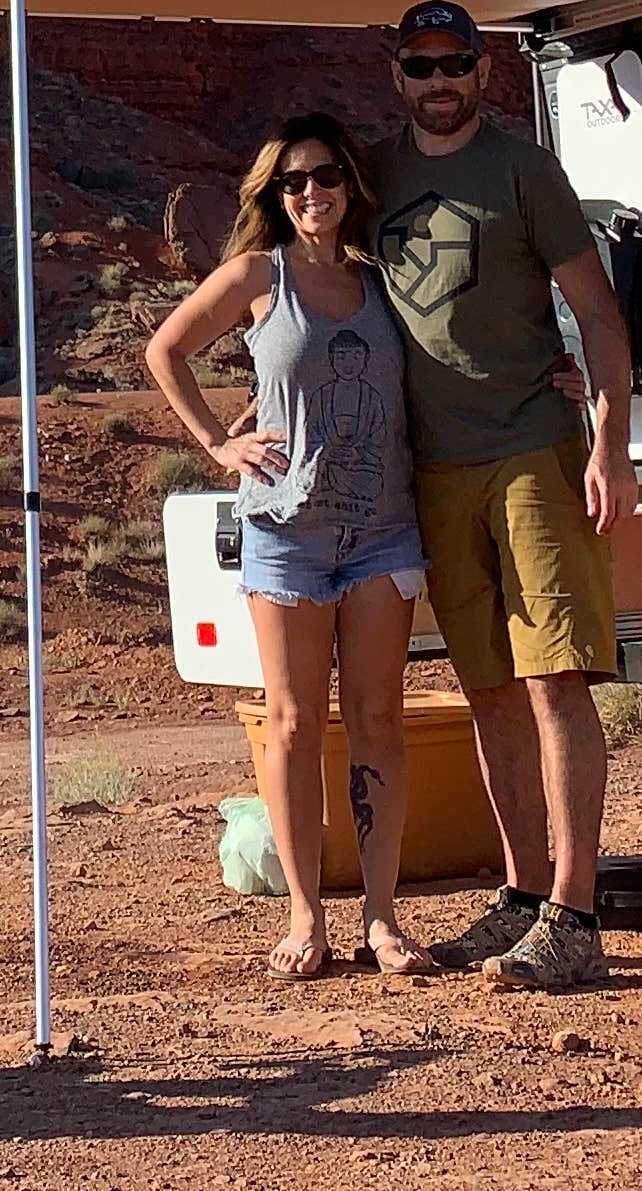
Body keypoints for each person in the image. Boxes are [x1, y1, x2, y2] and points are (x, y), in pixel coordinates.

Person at [369, 0, 637, 992]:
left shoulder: (525, 171)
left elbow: (598, 315)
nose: (440, 80)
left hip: (532, 452)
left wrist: (611, 444)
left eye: (456, 63)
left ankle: (575, 911)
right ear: (396, 74)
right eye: (421, 64)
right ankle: (524, 898)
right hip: (433, 469)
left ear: (485, 71)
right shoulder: (371, 175)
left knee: (553, 680)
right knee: (488, 690)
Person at [143, 114, 429, 981]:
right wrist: (217, 445)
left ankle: (381, 917)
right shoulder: (257, 276)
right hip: (286, 533)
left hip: (381, 528)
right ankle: (308, 915)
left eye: (327, 175)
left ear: (352, 184)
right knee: (295, 721)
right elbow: (166, 349)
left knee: (378, 718)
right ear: (274, 197)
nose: (313, 193)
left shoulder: (385, 279)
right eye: (293, 183)